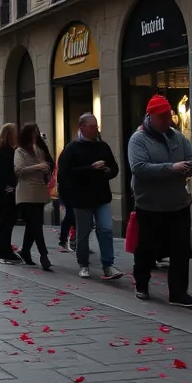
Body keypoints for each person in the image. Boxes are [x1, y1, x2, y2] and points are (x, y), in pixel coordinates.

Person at [127, 95, 192, 307]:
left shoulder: (177, 136)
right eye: (162, 116)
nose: (167, 120)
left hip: (178, 203)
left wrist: (188, 166)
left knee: (181, 250)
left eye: (169, 115)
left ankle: (178, 292)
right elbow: (139, 168)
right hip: (150, 205)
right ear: (151, 117)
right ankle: (141, 284)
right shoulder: (138, 139)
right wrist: (172, 168)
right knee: (147, 248)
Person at [58, 113, 124, 281]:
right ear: (82, 128)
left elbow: (114, 167)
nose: (96, 129)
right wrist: (90, 168)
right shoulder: (72, 148)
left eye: (96, 126)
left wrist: (108, 171)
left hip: (101, 196)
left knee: (106, 229)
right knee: (84, 232)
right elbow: (66, 174)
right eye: (92, 126)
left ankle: (108, 265)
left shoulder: (102, 146)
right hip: (82, 198)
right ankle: (83, 264)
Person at [14, 123, 53, 270]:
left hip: (39, 191)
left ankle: (25, 251)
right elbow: (19, 170)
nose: (36, 135)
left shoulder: (39, 150)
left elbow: (47, 164)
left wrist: (47, 168)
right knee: (35, 224)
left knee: (33, 225)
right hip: (26, 192)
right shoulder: (20, 151)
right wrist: (38, 167)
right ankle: (44, 255)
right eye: (33, 132)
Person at [0, 124, 22, 264]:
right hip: (4, 190)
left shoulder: (1, 150)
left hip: (0, 188)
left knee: (7, 219)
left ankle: (4, 250)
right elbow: (6, 172)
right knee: (7, 219)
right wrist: (11, 185)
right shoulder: (5, 151)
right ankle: (4, 252)